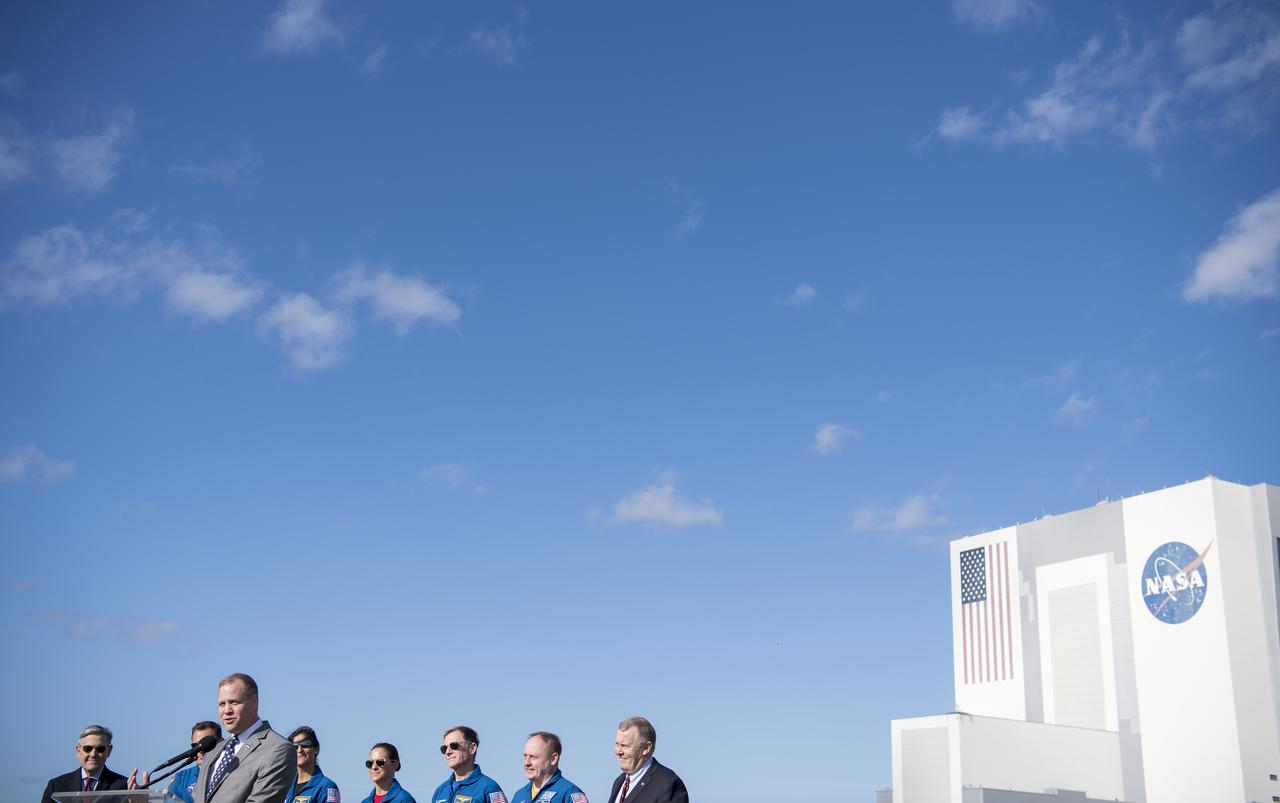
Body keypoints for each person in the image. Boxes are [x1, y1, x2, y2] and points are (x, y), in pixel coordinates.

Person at [193, 673, 294, 803]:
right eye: (222, 704)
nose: (227, 710)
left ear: (254, 702)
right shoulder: (213, 751)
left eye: (234, 702)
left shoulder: (278, 749)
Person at [41, 725, 129, 803]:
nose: (93, 754)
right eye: (88, 748)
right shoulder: (57, 786)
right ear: (78, 751)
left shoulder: (123, 786)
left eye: (100, 749)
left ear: (109, 751)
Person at [607, 718, 686, 803]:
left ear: (646, 748)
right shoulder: (619, 782)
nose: (619, 751)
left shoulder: (668, 784)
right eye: (617, 744)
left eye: (624, 746)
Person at [431, 727, 505, 803]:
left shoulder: (489, 788)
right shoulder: (440, 791)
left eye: (454, 746)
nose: (448, 752)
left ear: (472, 748)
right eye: (444, 748)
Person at [510, 732, 587, 803]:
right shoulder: (519, 796)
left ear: (553, 759)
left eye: (533, 757)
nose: (527, 763)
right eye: (525, 756)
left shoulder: (569, 793)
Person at [167, 721, 224, 803]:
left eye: (206, 745)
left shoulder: (233, 772)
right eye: (195, 746)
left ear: (221, 743)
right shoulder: (181, 778)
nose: (200, 750)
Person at [283, 727, 339, 803]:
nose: (299, 750)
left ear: (316, 749)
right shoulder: (284, 785)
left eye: (305, 744)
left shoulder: (327, 787)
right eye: (295, 746)